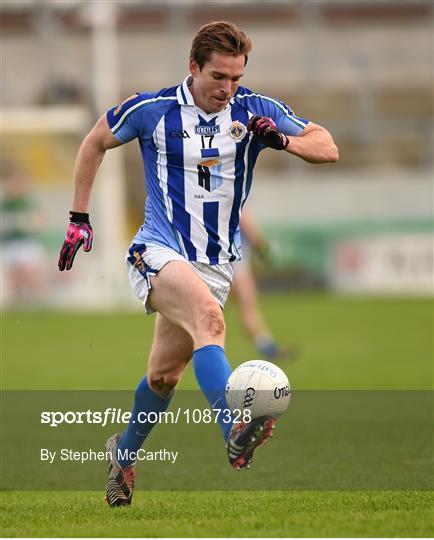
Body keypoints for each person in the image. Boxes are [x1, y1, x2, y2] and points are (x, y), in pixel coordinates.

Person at [58, 21, 338, 507]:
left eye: (235, 77)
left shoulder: (255, 110)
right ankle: (234, 429)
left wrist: (283, 142)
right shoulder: (153, 109)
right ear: (193, 67)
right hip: (157, 251)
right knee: (210, 321)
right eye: (218, 77)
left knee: (164, 377)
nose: (227, 89)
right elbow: (94, 142)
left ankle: (121, 455)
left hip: (216, 266)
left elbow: (327, 147)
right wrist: (79, 215)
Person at [232, 207, 296, 360]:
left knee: (211, 312)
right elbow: (244, 219)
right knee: (246, 304)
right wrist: (262, 249)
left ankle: (269, 348)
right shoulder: (233, 184)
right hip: (231, 255)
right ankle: (269, 349)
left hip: (226, 255)